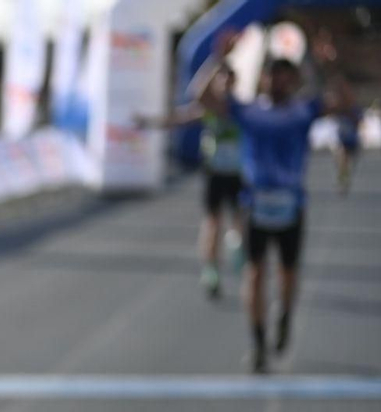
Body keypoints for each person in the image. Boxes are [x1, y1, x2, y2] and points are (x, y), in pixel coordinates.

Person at [196, 32, 354, 372]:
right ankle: (257, 342)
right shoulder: (248, 111)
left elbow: (345, 102)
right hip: (255, 204)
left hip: (291, 207)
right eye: (272, 76)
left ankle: (284, 314)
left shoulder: (303, 111)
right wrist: (219, 59)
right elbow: (202, 97)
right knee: (254, 276)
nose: (277, 83)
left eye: (285, 77)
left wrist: (332, 67)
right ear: (263, 78)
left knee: (288, 275)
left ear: (294, 81)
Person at [138, 65, 245, 299]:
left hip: (238, 174)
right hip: (215, 174)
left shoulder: (241, 109)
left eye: (229, 80)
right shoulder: (208, 109)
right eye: (220, 80)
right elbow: (180, 116)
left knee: (240, 222)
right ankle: (211, 269)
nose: (224, 84)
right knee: (212, 223)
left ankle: (237, 248)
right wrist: (149, 123)